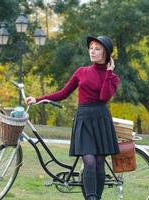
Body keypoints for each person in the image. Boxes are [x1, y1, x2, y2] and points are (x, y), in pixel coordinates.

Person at [26, 35, 120, 200]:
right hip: (84, 119)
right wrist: (38, 99)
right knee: (89, 161)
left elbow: (104, 97)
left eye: (97, 49)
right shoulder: (81, 71)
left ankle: (95, 198)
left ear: (106, 54)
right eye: (91, 48)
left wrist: (109, 72)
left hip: (101, 120)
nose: (92, 51)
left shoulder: (112, 77)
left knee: (99, 163)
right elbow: (63, 93)